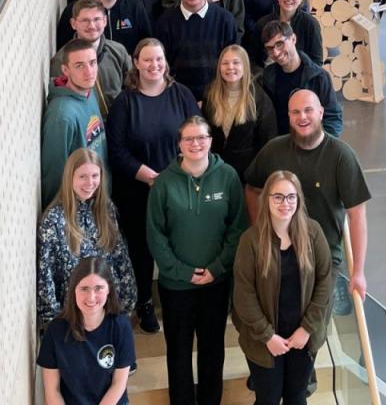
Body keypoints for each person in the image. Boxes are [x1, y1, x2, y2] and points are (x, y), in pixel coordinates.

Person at [146, 115, 245, 405]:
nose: (195, 144)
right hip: (177, 286)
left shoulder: (227, 176)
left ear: (210, 141)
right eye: (188, 138)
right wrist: (182, 272)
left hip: (216, 283)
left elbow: (237, 229)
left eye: (201, 137)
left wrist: (216, 269)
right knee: (178, 353)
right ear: (179, 144)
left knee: (213, 351)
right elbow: (155, 236)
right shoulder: (163, 183)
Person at [244, 90, 370, 310]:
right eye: (295, 112)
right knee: (279, 317)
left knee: (315, 322)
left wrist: (358, 272)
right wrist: (259, 228)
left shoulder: (341, 156)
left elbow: (357, 214)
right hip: (279, 256)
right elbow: (252, 188)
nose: (302, 117)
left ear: (321, 112)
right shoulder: (273, 151)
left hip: (323, 259)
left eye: (308, 110)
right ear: (289, 116)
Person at [106, 38, 199, 334]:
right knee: (142, 249)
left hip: (180, 185)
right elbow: (116, 150)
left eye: (159, 59)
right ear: (136, 63)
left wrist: (175, 174)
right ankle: (144, 302)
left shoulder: (181, 94)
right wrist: (150, 177)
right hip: (137, 191)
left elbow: (196, 135)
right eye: (147, 59)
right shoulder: (124, 103)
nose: (154, 65)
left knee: (182, 243)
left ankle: (183, 298)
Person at [233, 169, 332, 405]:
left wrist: (306, 329)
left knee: (296, 397)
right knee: (267, 399)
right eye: (277, 197)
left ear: (299, 200)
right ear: (266, 199)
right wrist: (267, 336)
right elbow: (244, 296)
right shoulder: (251, 240)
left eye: (291, 197)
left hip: (303, 338)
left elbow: (325, 282)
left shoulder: (313, 233)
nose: (285, 203)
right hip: (263, 340)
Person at [37, 149, 136, 331]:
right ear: (70, 178)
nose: (90, 183)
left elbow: (121, 259)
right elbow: (46, 276)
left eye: (95, 176)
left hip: (108, 311)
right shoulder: (54, 220)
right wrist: (53, 324)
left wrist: (126, 308)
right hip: (72, 319)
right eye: (82, 176)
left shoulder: (106, 209)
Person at [37, 257, 136, 405]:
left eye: (98, 288)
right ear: (73, 290)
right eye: (84, 289)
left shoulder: (121, 326)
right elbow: (53, 391)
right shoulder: (55, 331)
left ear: (109, 289)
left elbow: (118, 384)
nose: (91, 297)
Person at [155, 0, 240, 99]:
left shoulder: (225, 20)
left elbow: (234, 61)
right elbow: (163, 66)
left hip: (218, 96)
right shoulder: (165, 22)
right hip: (178, 96)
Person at [41, 39, 107, 208]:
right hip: (77, 210)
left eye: (92, 63)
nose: (89, 72)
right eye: (79, 66)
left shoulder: (89, 92)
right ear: (65, 70)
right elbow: (54, 175)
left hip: (98, 199)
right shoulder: (62, 116)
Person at [201, 45, 277, 181]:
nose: (230, 67)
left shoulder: (259, 98)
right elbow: (205, 132)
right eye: (225, 63)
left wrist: (257, 176)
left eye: (236, 62)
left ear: (245, 66)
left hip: (247, 174)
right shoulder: (210, 94)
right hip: (216, 170)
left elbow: (268, 141)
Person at [50, 0, 131, 114]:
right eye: (85, 20)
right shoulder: (61, 60)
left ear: (105, 21)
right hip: (86, 121)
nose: (92, 26)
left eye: (97, 19)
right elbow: (62, 102)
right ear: (73, 24)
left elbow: (132, 87)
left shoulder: (119, 51)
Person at [260, 21, 341, 136]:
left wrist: (323, 144)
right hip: (280, 142)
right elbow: (266, 118)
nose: (276, 53)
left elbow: (332, 118)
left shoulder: (319, 77)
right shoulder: (268, 76)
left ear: (293, 39)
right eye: (270, 48)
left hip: (311, 141)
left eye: (280, 44)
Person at [252, 0, 322, 69]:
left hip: (299, 76)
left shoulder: (310, 23)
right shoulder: (263, 23)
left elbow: (317, 62)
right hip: (267, 74)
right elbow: (253, 59)